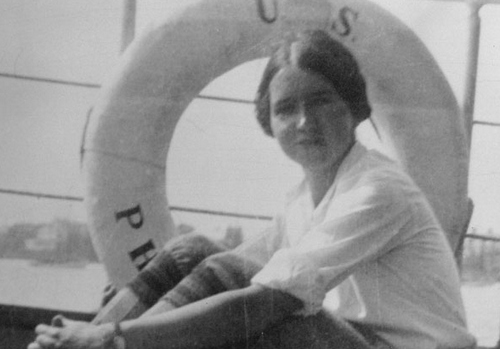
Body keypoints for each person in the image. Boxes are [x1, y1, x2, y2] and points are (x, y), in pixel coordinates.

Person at [28, 29, 476, 349]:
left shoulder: (378, 190)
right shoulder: (304, 198)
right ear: (269, 122)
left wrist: (117, 335)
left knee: (262, 299)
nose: (304, 122)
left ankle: (100, 341)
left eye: (321, 100)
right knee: (193, 251)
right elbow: (213, 262)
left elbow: (264, 299)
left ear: (354, 108)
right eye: (286, 109)